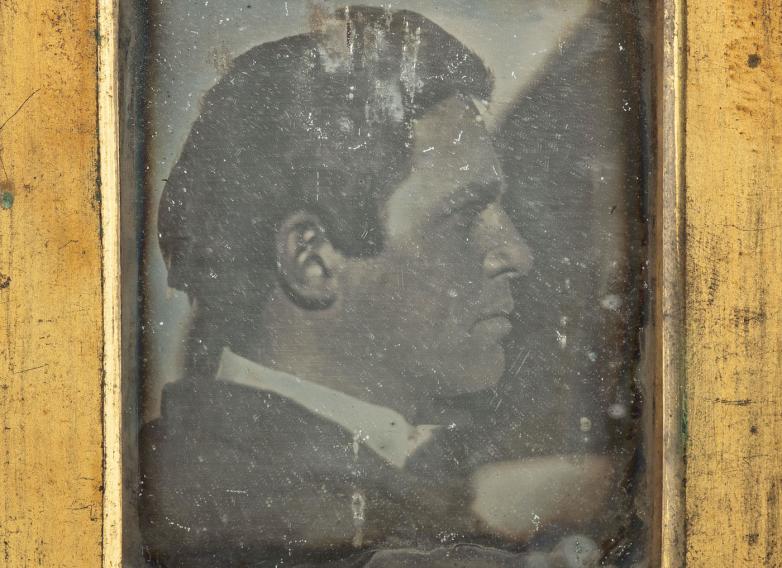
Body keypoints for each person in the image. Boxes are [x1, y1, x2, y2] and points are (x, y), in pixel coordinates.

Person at [140, 6, 610, 567]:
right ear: (313, 261)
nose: (518, 254)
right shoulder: (260, 523)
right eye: (463, 217)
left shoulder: (233, 478)